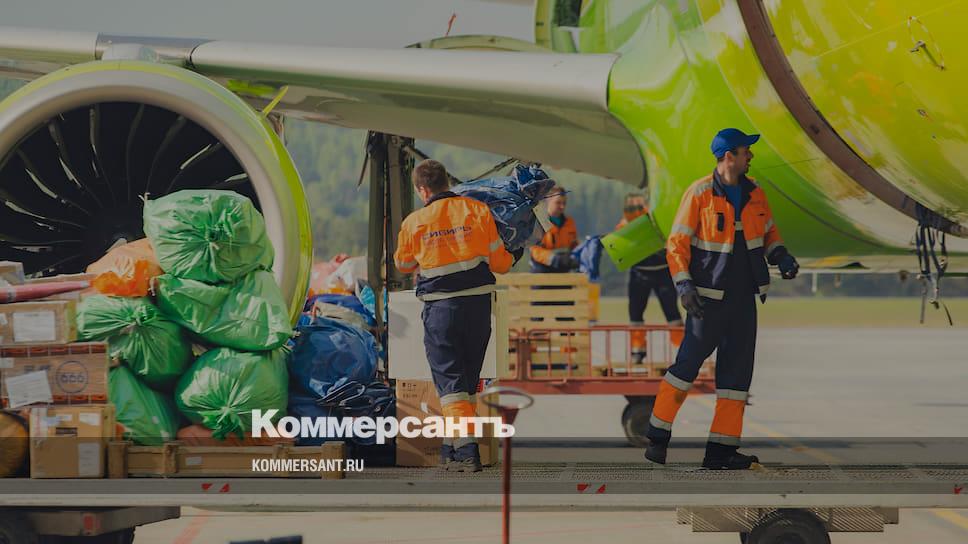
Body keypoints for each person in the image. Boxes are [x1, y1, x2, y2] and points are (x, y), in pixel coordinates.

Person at [644, 129, 799, 470]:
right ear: (729, 156)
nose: (751, 157)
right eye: (746, 151)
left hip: (744, 301)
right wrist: (684, 287)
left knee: (736, 378)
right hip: (707, 302)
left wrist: (782, 255)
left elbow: (769, 234)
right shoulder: (699, 194)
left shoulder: (756, 193)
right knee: (686, 368)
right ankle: (657, 435)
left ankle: (721, 451)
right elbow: (676, 245)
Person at [394, 159, 522, 472]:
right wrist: (514, 254)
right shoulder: (477, 211)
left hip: (441, 310)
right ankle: (450, 448)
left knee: (451, 385)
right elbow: (500, 263)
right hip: (478, 308)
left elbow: (403, 265)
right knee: (466, 381)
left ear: (422, 190)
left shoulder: (414, 222)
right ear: (446, 183)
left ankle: (466, 450)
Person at [616, 193, 684, 363]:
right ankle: (637, 352)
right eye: (632, 205)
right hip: (639, 273)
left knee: (672, 314)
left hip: (662, 271)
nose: (635, 208)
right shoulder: (623, 224)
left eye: (638, 204)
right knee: (635, 314)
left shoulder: (656, 218)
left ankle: (682, 350)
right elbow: (620, 247)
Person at [529, 185, 579, 273]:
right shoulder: (539, 222)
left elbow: (574, 244)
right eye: (558, 202)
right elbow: (535, 250)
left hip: (564, 268)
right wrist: (555, 259)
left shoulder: (570, 222)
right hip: (542, 270)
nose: (562, 206)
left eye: (564, 203)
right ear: (548, 200)